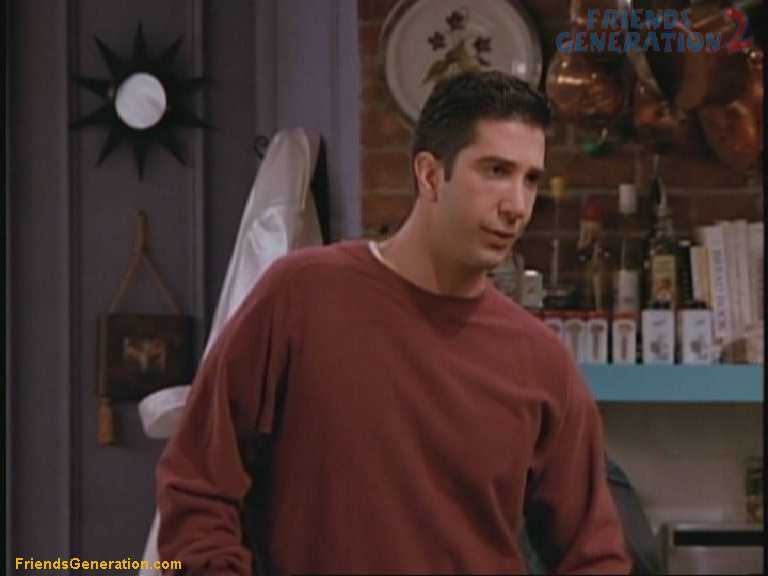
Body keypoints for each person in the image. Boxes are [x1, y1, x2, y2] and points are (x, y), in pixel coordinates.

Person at [156, 70, 631, 575]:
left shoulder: (541, 361)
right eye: (495, 171)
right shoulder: (301, 296)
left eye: (530, 179)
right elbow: (198, 485)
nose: (517, 206)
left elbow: (593, 555)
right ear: (429, 175)